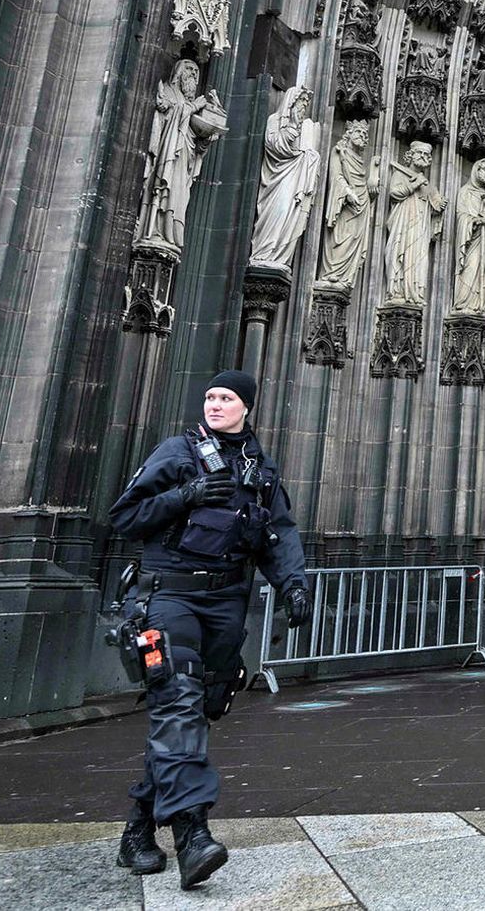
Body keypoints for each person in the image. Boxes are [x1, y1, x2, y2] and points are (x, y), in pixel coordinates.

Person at [108, 370, 313, 889]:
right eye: (210, 397)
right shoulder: (176, 452)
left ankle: (137, 830)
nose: (216, 404)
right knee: (176, 699)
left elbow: (278, 533)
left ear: (246, 406)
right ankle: (193, 833)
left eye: (226, 398)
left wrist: (293, 585)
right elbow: (125, 516)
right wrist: (185, 495)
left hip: (224, 601)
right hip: (167, 596)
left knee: (200, 708)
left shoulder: (258, 468)